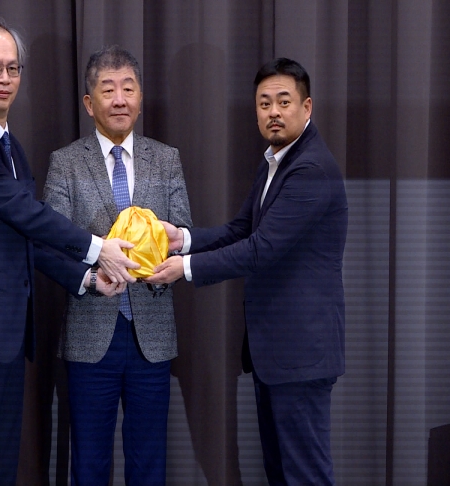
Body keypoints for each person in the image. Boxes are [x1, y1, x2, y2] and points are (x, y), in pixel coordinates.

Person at [0, 20, 139, 485]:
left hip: (3, 337)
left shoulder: (11, 147)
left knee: (0, 469)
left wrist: (85, 278)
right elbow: (31, 216)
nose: (5, 78)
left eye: (13, 68)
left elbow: (24, 237)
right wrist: (99, 249)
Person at [147, 57, 348, 485]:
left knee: (305, 476)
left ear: (307, 107)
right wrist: (183, 239)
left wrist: (184, 268)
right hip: (275, 354)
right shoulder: (275, 160)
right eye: (264, 103)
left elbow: (262, 248)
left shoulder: (310, 169)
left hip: (300, 356)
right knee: (281, 474)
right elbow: (242, 229)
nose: (273, 112)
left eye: (284, 102)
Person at [43, 45, 192, 485]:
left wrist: (166, 261)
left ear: (141, 97)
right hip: (91, 334)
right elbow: (50, 244)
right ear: (90, 103)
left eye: (128, 88)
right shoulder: (65, 163)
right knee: (89, 464)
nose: (120, 99)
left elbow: (183, 231)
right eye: (108, 90)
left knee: (149, 464)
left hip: (152, 333)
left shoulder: (166, 158)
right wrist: (91, 277)